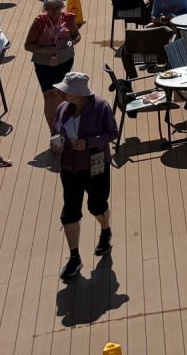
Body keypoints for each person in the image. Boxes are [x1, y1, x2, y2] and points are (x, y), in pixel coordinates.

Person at [52, 70, 118, 281]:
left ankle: (105, 230)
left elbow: (112, 133)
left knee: (97, 205)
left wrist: (89, 142)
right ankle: (74, 257)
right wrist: (57, 144)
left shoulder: (101, 107)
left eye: (66, 92)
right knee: (70, 212)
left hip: (95, 165)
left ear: (79, 94)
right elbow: (57, 131)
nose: (62, 95)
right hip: (69, 167)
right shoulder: (62, 109)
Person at [25, 0, 80, 129]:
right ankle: (54, 131)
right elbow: (28, 45)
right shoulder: (39, 21)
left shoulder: (68, 19)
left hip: (65, 60)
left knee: (61, 94)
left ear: (61, 7)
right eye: (49, 8)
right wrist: (45, 49)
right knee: (49, 96)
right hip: (44, 63)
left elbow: (76, 36)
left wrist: (70, 43)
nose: (53, 11)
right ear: (45, 9)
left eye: (56, 8)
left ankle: (66, 126)